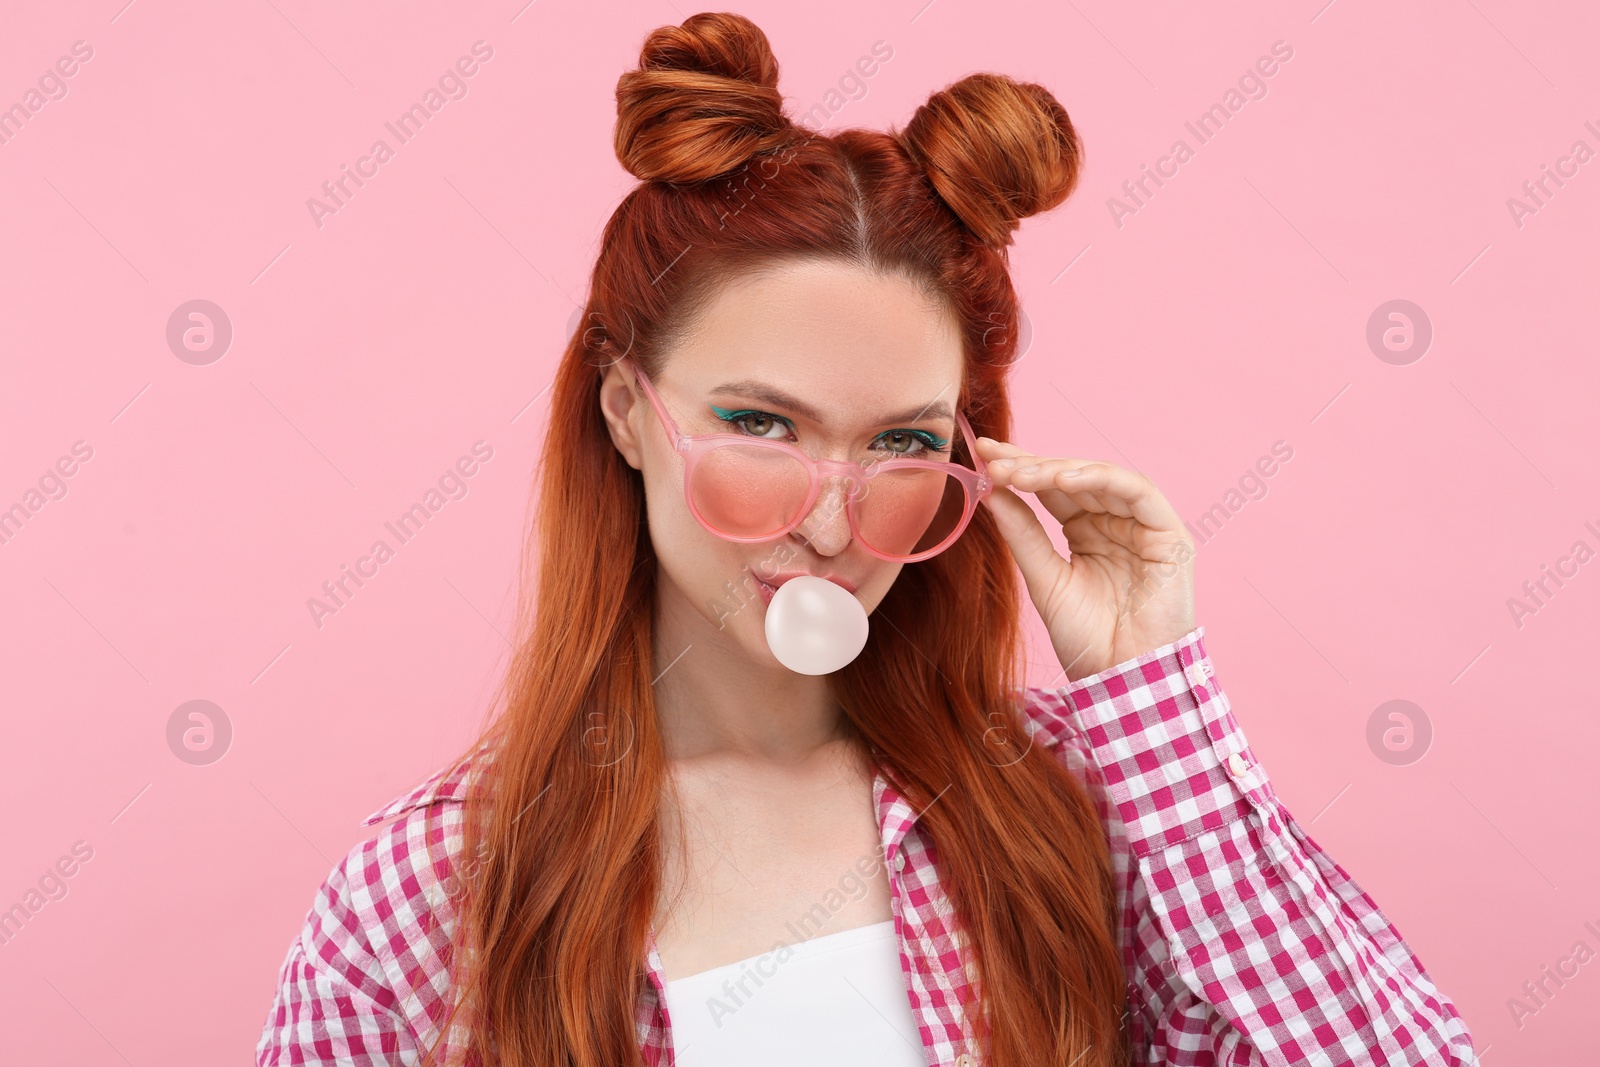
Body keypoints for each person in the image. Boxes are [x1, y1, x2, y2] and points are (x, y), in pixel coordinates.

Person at [256, 12, 1477, 1066]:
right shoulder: (428, 891)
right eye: (758, 421)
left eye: (898, 445)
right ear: (627, 411)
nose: (833, 524)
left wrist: (1155, 695)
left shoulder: (1082, 800)